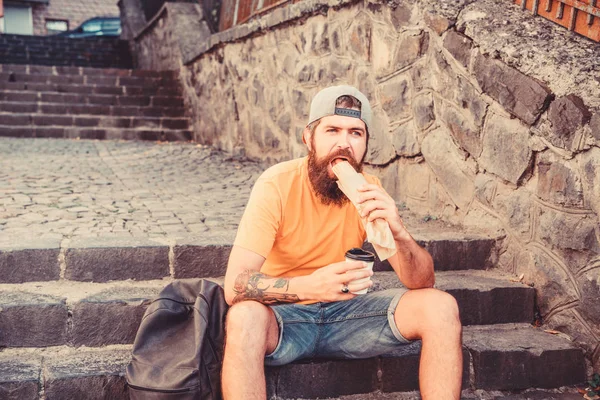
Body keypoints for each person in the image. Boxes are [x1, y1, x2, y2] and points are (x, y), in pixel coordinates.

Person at [222, 85, 463, 400]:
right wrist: (310, 287)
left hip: (347, 318)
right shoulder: (276, 184)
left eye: (355, 133)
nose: (343, 143)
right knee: (243, 316)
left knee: (441, 306)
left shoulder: (369, 190)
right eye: (332, 130)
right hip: (285, 319)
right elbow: (235, 286)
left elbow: (421, 281)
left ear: (365, 144)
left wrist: (399, 231)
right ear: (309, 138)